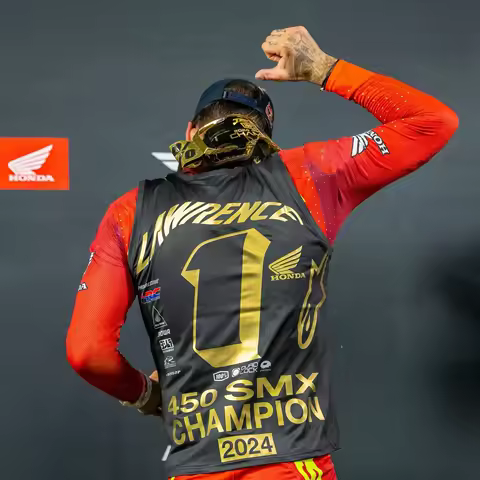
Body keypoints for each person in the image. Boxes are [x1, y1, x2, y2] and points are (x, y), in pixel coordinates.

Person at [66, 26, 458, 480]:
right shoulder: (307, 175)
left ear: (190, 131)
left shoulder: (132, 211)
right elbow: (432, 122)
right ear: (266, 141)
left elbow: (87, 352)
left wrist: (146, 395)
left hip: (198, 466)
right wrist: (324, 69)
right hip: (292, 462)